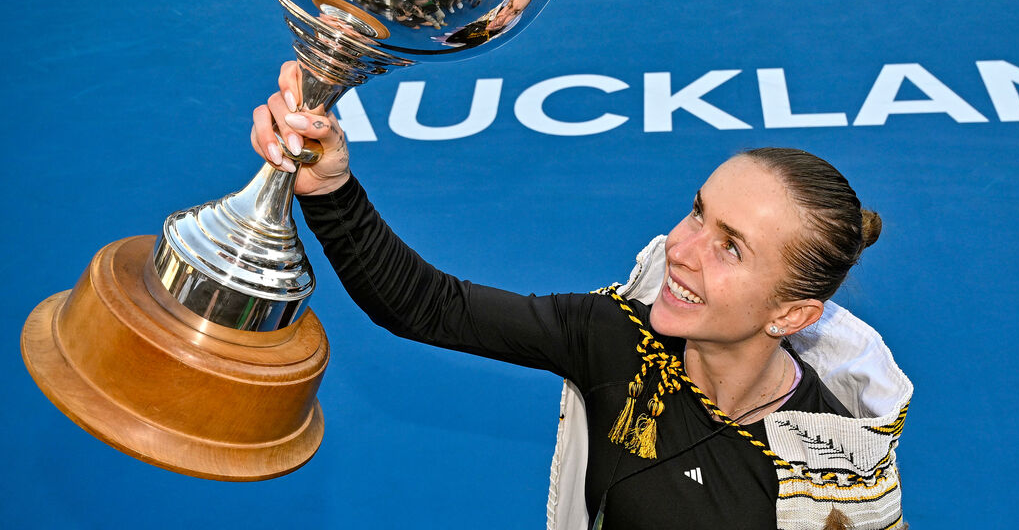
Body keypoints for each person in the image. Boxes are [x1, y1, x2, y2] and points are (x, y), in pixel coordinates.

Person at [251, 62, 913, 530]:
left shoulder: (831, 469)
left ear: (791, 315)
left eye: (730, 247)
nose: (681, 248)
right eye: (698, 213)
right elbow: (428, 305)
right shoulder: (615, 337)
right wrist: (331, 189)